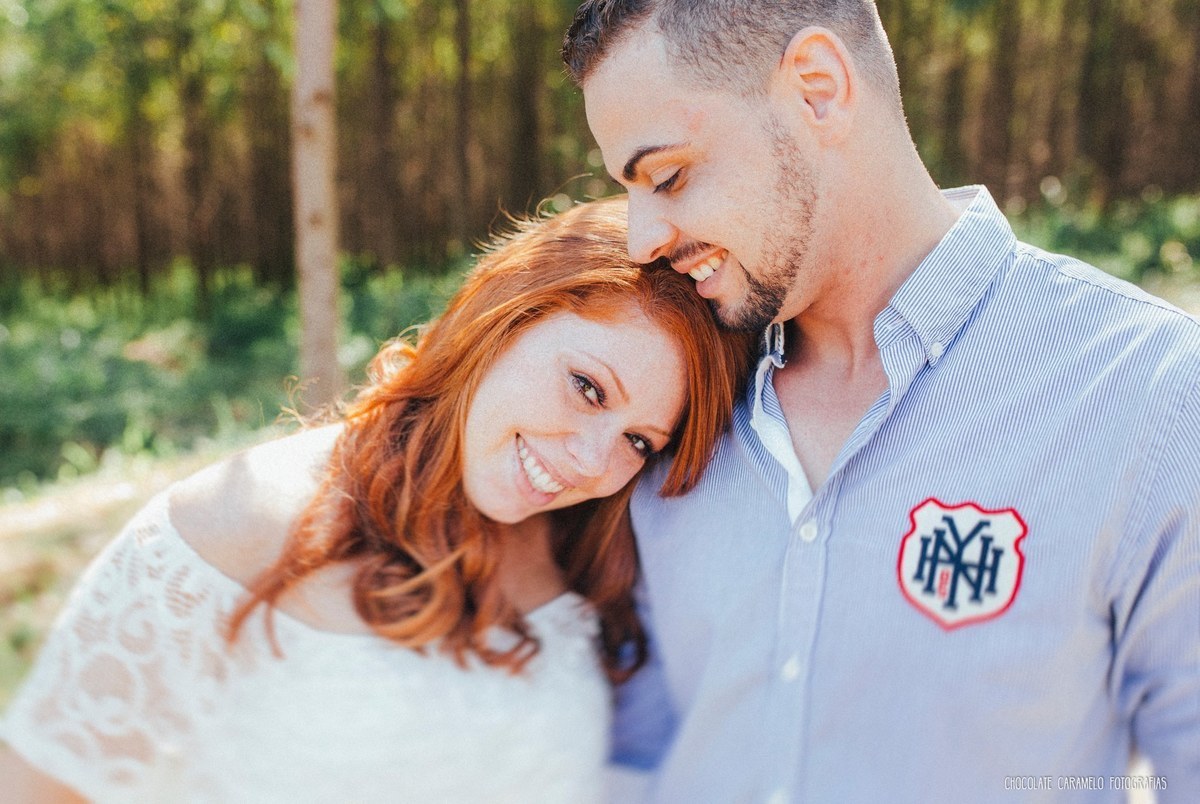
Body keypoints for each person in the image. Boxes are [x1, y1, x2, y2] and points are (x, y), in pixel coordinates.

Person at [562, 2, 1200, 802]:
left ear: (819, 89)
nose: (642, 238)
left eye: (668, 177)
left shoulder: (1150, 392)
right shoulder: (659, 403)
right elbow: (634, 752)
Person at [0, 196, 752, 803]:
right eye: (587, 387)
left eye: (639, 442)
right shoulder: (233, 526)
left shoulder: (588, 553)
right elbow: (41, 784)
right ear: (501, 319)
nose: (593, 460)